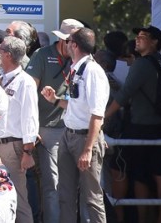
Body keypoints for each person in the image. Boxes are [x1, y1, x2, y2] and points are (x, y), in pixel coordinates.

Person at [104, 25, 161, 223]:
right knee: (160, 174)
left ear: (155, 42)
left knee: (136, 173)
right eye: (138, 36)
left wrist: (103, 117)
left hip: (141, 127)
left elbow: (124, 95)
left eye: (143, 37)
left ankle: (140, 219)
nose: (138, 40)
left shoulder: (142, 64)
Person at [40, 27, 107, 223]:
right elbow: (77, 105)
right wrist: (54, 100)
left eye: (68, 41)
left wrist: (88, 149)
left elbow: (97, 115)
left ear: (74, 45)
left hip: (85, 139)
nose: (65, 44)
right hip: (68, 135)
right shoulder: (77, 68)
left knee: (92, 198)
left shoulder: (93, 71)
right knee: (65, 196)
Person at [25, 18, 81, 223]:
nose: (77, 47)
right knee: (53, 185)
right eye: (74, 42)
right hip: (47, 128)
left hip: (74, 129)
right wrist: (30, 125)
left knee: (70, 185)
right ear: (63, 40)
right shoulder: (42, 55)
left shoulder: (82, 60)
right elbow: (29, 90)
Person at [0, 37, 38, 223]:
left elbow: (30, 118)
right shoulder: (0, 77)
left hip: (14, 146)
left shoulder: (25, 82)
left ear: (8, 55)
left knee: (18, 198)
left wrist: (28, 152)